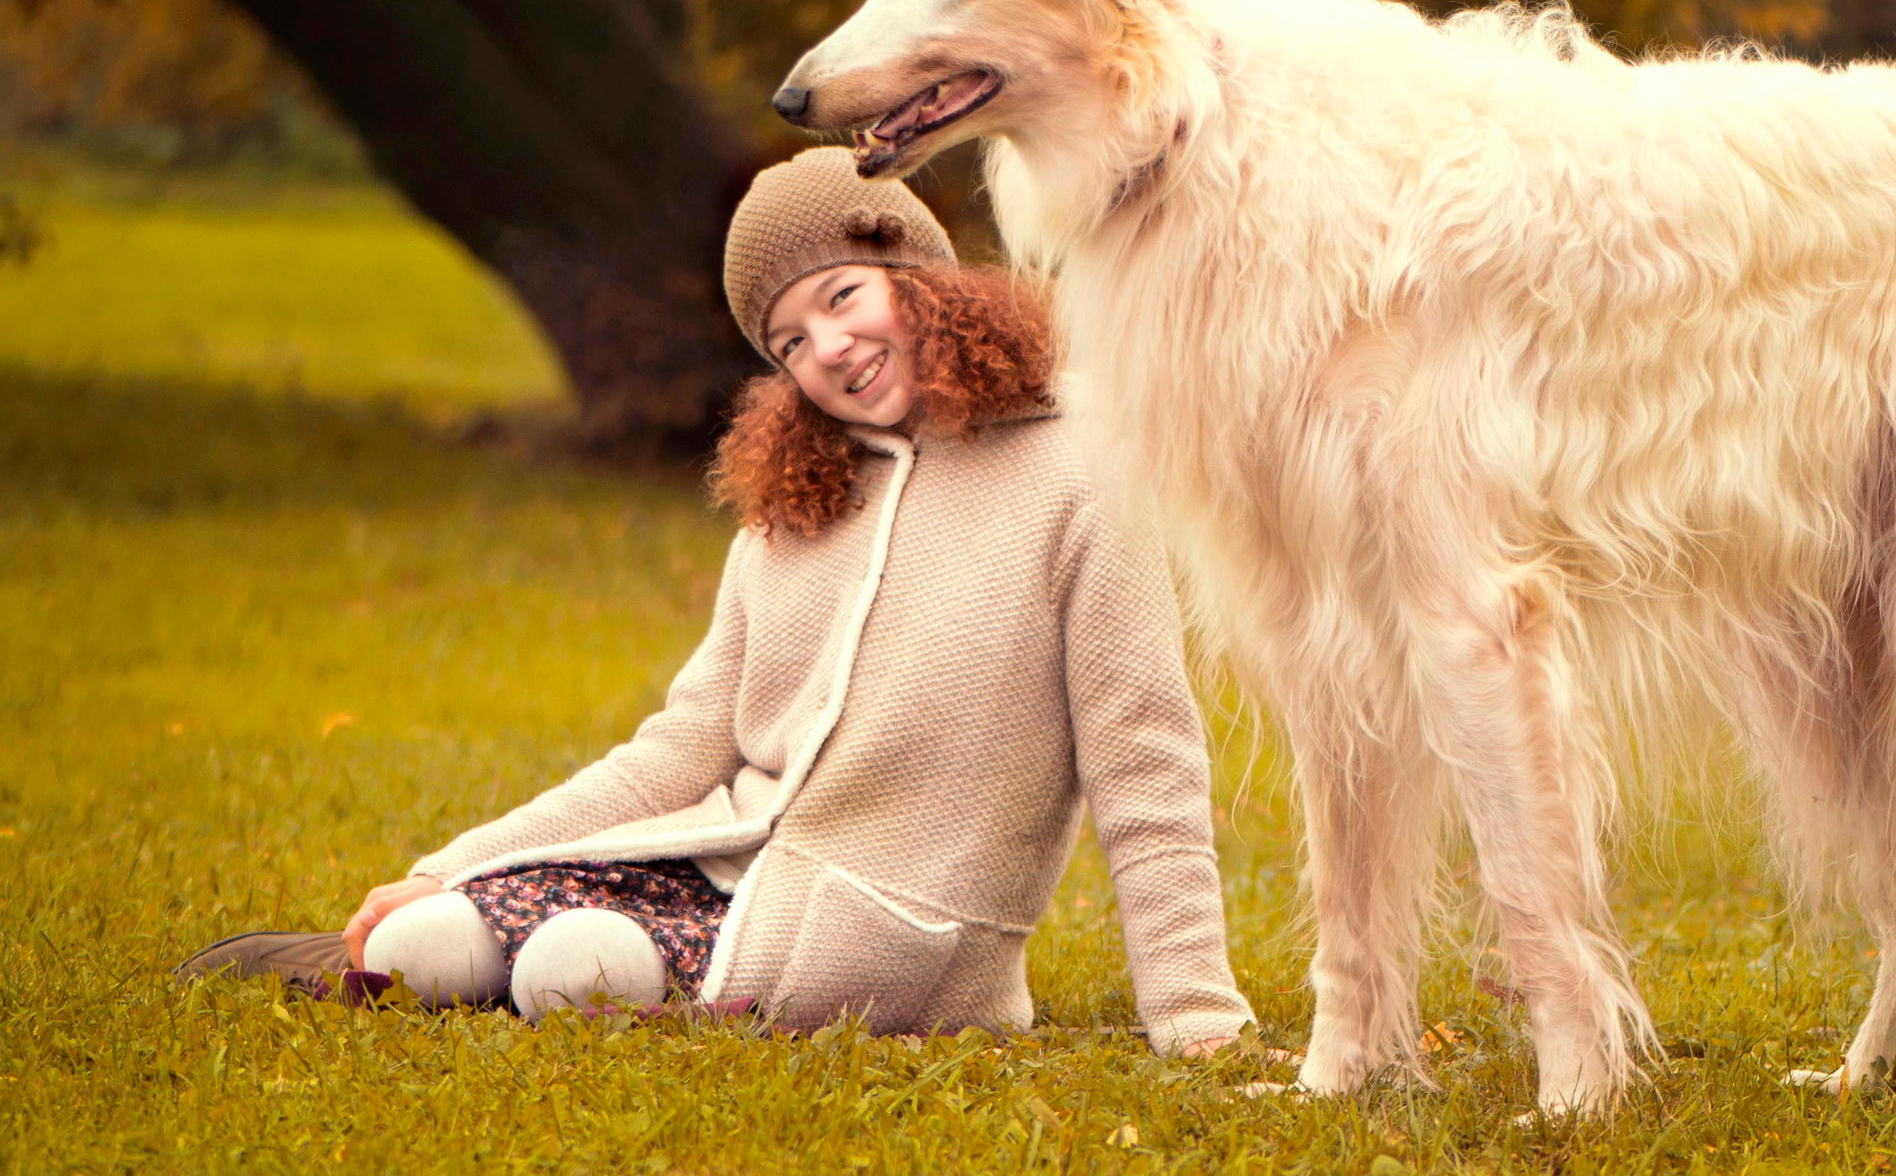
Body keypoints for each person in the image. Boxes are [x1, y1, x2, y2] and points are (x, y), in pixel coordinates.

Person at [181, 149, 1258, 1057]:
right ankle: (470, 951)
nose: (828, 348)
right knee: (422, 941)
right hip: (722, 864)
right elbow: (679, 748)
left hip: (908, 926)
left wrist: (1195, 1017)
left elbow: (1144, 761)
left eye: (842, 297)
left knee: (572, 964)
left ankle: (543, 970)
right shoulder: (795, 505)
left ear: (920, 277)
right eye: (788, 341)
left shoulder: (1080, 474)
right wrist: (451, 865)